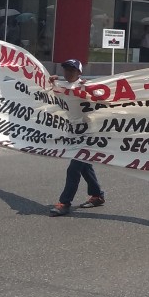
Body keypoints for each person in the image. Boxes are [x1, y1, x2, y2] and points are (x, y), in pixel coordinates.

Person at [49, 59, 106, 217]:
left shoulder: (86, 86)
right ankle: (97, 195)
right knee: (85, 166)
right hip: (74, 133)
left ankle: (64, 202)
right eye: (66, 69)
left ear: (79, 73)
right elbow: (49, 95)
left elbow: (104, 99)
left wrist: (91, 89)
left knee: (74, 168)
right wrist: (50, 83)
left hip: (89, 133)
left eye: (72, 70)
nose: (68, 73)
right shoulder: (63, 85)